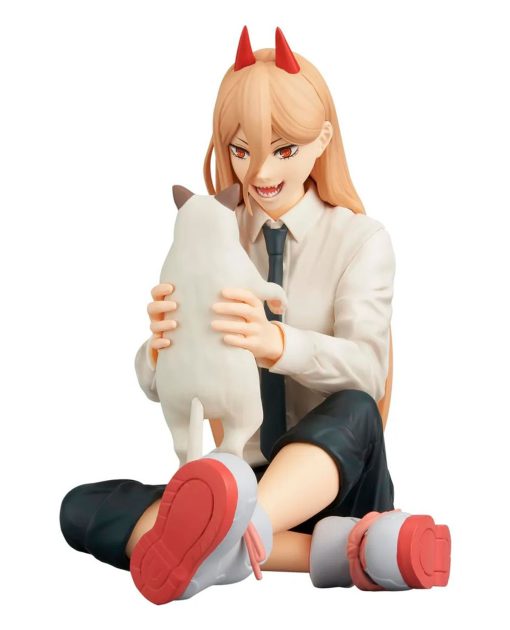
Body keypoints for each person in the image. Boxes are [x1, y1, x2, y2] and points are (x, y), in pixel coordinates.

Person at [60, 26, 451, 604]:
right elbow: (156, 384)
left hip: (332, 477)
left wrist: (278, 344)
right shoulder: (212, 231)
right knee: (81, 508)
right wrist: (160, 350)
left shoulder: (360, 241)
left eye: (283, 150)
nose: (259, 173)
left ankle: (225, 536)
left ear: (321, 140)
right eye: (241, 151)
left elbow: (369, 371)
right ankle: (335, 549)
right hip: (238, 481)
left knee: (355, 408)